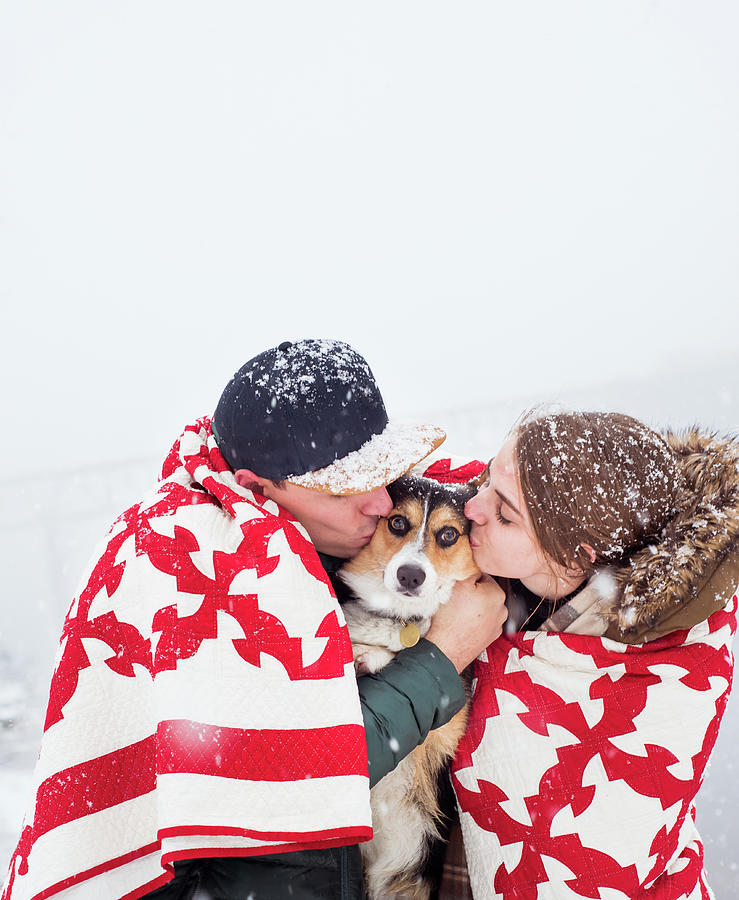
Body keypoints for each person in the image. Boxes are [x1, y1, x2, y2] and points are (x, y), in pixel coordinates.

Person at [2, 339, 507, 900]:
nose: (379, 503)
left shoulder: (304, 532)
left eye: (382, 471)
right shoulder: (195, 569)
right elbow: (289, 771)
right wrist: (444, 656)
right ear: (255, 489)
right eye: (342, 488)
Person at [422, 410, 739, 900]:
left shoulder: (667, 656)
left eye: (504, 514)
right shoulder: (585, 533)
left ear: (577, 556)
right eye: (487, 475)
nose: (472, 507)